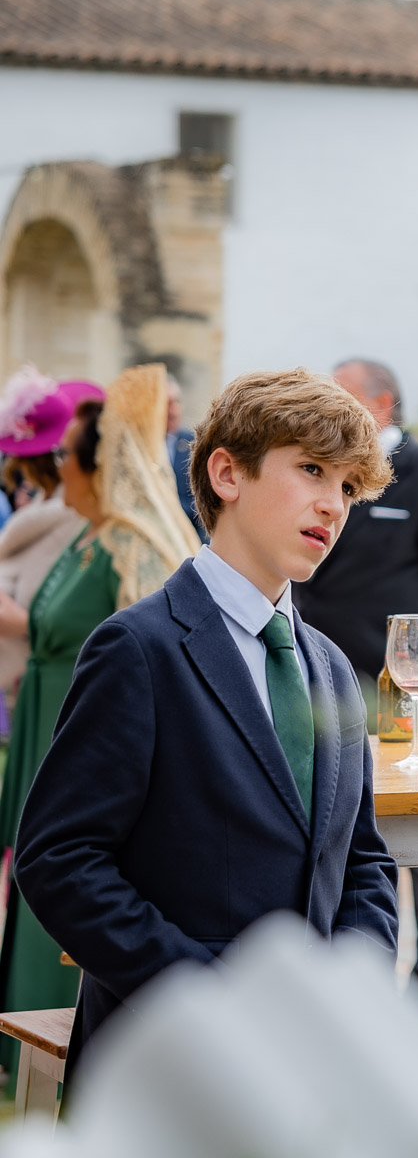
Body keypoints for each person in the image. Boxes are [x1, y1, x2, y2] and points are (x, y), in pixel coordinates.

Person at [14, 367, 398, 1088]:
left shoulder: (334, 667)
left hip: (306, 1067)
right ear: (227, 472)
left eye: (347, 486)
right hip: (166, 1063)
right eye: (311, 469)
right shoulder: (138, 648)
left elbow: (363, 862)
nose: (332, 504)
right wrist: (212, 997)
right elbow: (59, 859)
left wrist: (353, 989)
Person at [0, 363, 201, 1084]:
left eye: (65, 456)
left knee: (64, 870)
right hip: (42, 720)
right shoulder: (84, 537)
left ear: (96, 464)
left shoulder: (133, 545)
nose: (56, 468)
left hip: (85, 728)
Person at [292, 358, 418, 1018]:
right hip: (322, 681)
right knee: (331, 825)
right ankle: (348, 993)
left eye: (340, 397)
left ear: (383, 404)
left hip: (406, 684)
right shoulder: (317, 478)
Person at [0, 371, 98, 713]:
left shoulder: (70, 518)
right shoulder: (46, 514)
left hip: (57, 684)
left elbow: (76, 616)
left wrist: (21, 622)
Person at [166, 378, 203, 538]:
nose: (172, 409)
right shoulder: (141, 446)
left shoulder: (194, 443)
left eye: (176, 402)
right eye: (167, 403)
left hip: (189, 535)